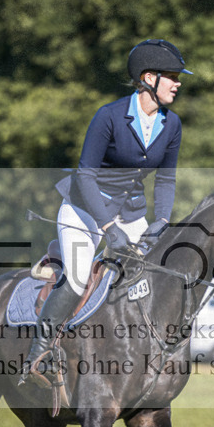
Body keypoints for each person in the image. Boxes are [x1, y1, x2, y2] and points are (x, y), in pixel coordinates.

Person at [22, 39, 192, 380]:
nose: (178, 83)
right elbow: (85, 175)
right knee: (80, 276)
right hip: (85, 209)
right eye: (172, 76)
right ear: (148, 78)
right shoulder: (109, 116)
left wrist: (160, 219)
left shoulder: (171, 124)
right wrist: (107, 227)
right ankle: (39, 352)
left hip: (131, 213)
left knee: (154, 274)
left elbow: (166, 180)